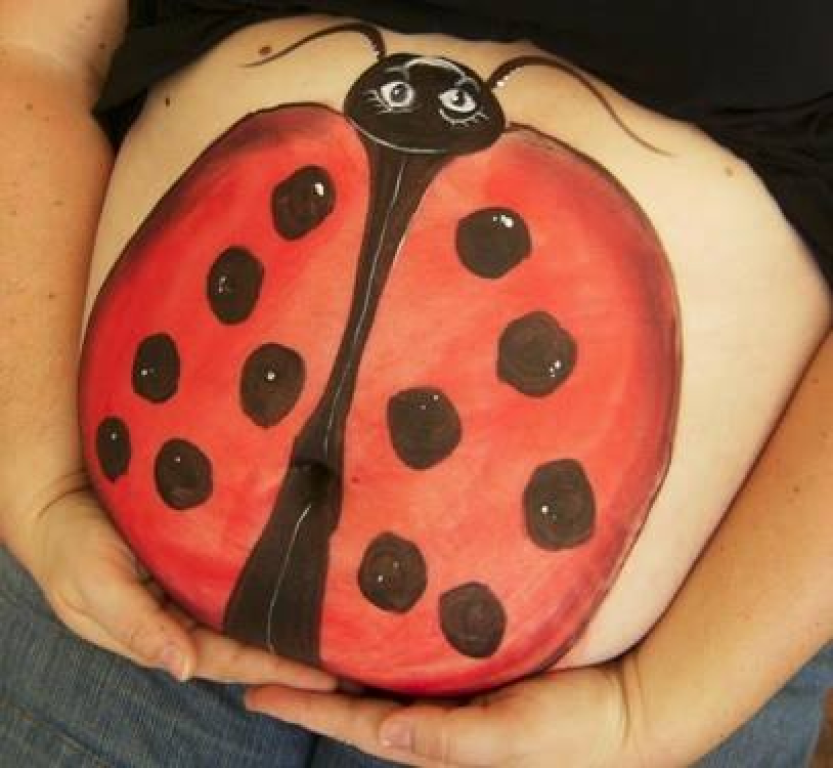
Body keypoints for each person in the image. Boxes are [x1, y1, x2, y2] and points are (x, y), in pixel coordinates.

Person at [0, 2, 831, 766]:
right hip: (105, 576)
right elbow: (33, 54)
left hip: (662, 667)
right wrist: (35, 481)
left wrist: (652, 713)